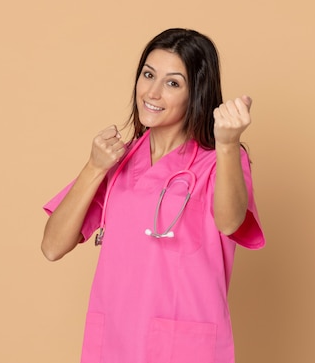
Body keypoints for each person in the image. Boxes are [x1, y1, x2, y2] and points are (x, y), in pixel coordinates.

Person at [41, 28, 265, 363]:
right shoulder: (119, 159)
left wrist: (228, 144)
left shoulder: (217, 160)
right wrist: (94, 167)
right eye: (148, 75)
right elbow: (52, 246)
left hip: (183, 347)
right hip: (115, 340)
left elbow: (231, 221)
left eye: (172, 83)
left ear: (197, 94)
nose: (153, 92)